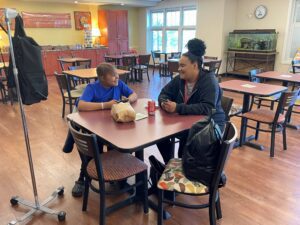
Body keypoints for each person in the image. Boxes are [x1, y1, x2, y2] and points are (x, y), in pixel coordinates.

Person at [64, 63, 137, 197]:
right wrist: (105, 105)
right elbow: (81, 105)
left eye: (116, 75)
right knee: (93, 150)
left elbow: (133, 94)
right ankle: (83, 178)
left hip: (112, 126)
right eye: (113, 76)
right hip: (94, 127)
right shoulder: (92, 88)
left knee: (116, 147)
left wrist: (128, 99)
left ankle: (118, 177)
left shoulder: (119, 84)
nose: (117, 78)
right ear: (102, 78)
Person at [156, 38, 226, 164]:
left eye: (182, 66)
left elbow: (208, 108)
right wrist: (164, 102)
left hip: (209, 126)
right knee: (159, 135)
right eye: (179, 65)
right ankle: (170, 164)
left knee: (185, 146)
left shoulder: (209, 81)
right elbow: (164, 93)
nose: (179, 69)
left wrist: (178, 108)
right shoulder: (180, 79)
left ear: (194, 66)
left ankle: (181, 167)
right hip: (187, 122)